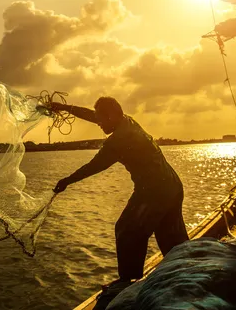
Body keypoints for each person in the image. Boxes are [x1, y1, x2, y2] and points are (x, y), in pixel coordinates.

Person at [49, 96, 189, 286]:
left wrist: (67, 181)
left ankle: (128, 281)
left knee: (126, 230)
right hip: (172, 186)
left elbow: (94, 166)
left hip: (154, 192)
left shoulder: (119, 140)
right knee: (171, 239)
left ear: (113, 115)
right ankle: (187, 272)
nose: (98, 123)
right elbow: (91, 115)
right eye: (97, 118)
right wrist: (64, 107)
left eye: (101, 119)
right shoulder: (127, 120)